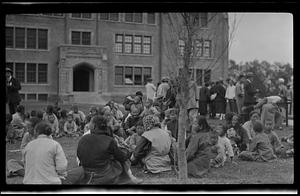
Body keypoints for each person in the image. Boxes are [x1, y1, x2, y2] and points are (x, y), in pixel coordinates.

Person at [77, 115, 139, 184]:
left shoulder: (83, 138)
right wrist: (128, 153)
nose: (88, 125)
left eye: (90, 123)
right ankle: (130, 178)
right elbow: (122, 158)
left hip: (85, 172)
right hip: (103, 175)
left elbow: (79, 155)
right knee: (122, 158)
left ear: (94, 126)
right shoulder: (109, 140)